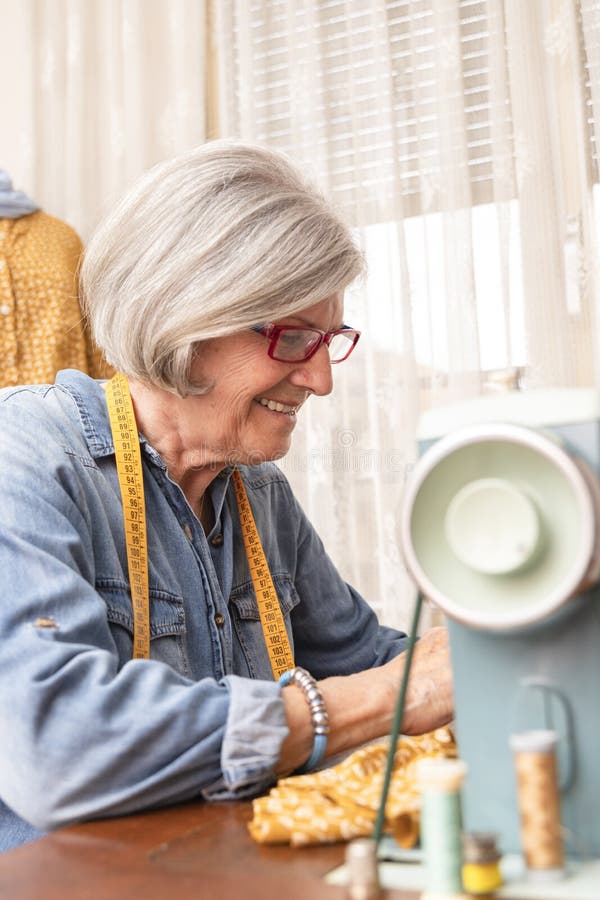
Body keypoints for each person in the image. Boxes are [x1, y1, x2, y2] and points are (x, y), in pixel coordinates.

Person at [0, 141, 452, 853]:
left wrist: (498, 647)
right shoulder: (23, 457)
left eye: (329, 339)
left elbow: (373, 662)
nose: (321, 380)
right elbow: (58, 746)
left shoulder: (255, 493)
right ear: (185, 317)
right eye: (294, 337)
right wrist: (388, 698)